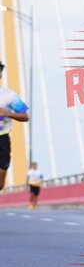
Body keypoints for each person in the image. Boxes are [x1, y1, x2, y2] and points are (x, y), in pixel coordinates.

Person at [0, 62, 30, 191]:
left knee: (1, 181)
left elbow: (25, 116)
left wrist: (7, 114)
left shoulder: (8, 95)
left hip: (2, 138)